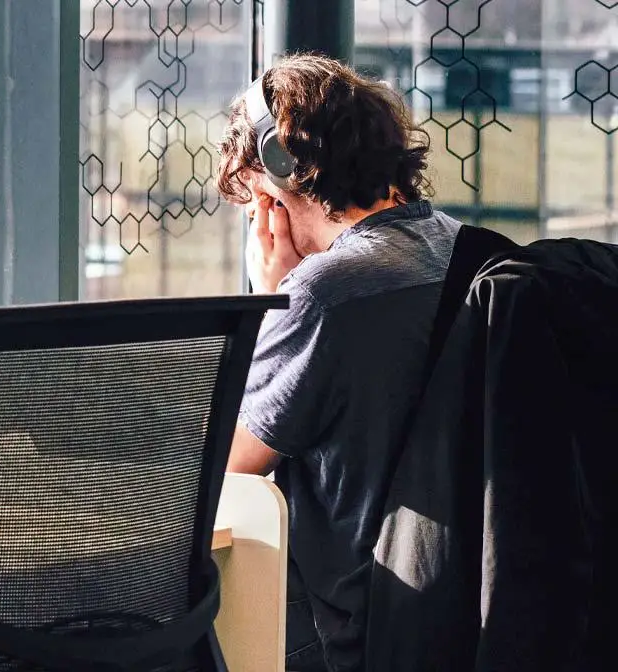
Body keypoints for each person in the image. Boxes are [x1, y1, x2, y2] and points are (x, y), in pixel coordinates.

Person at [216, 55, 451, 671]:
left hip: (347, 623)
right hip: (454, 609)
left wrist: (275, 295)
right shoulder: (465, 250)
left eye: (253, 205)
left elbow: (229, 465)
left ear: (277, 175)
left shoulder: (328, 292)